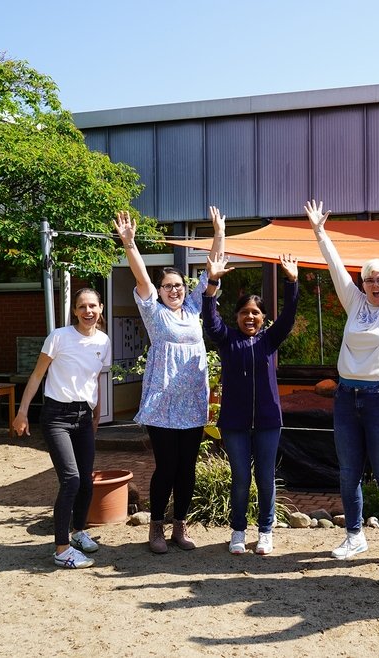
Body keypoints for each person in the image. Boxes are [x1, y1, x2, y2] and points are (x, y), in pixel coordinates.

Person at [304, 193, 379, 570]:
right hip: (347, 396)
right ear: (363, 283)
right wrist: (320, 232)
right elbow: (335, 268)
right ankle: (354, 536)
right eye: (369, 279)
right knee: (348, 472)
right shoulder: (354, 304)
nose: (375, 284)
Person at [114, 207, 223, 554]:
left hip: (192, 398)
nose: (173, 290)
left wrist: (219, 233)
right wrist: (130, 245)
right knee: (166, 466)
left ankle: (180, 526)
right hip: (163, 400)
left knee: (187, 468)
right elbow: (141, 277)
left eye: (177, 285)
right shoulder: (153, 311)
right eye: (167, 286)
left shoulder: (194, 307)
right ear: (159, 291)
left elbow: (213, 270)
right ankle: (156, 527)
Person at [202, 250, 300, 556]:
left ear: (263, 318)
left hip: (269, 421)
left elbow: (288, 317)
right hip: (234, 423)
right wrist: (213, 282)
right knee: (242, 477)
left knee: (265, 477)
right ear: (237, 317)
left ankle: (266, 531)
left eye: (255, 313)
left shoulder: (270, 340)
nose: (250, 317)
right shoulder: (227, 339)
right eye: (244, 313)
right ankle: (239, 531)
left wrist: (292, 281)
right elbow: (210, 319)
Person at [12, 287, 112, 569]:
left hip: (83, 417)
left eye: (93, 306)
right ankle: (61, 549)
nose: (88, 312)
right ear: (74, 311)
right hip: (56, 416)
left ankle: (79, 532)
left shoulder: (103, 341)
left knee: (86, 480)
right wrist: (22, 412)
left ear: (101, 309)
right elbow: (36, 375)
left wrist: (97, 414)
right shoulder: (59, 337)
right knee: (71, 480)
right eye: (82, 307)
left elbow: (95, 379)